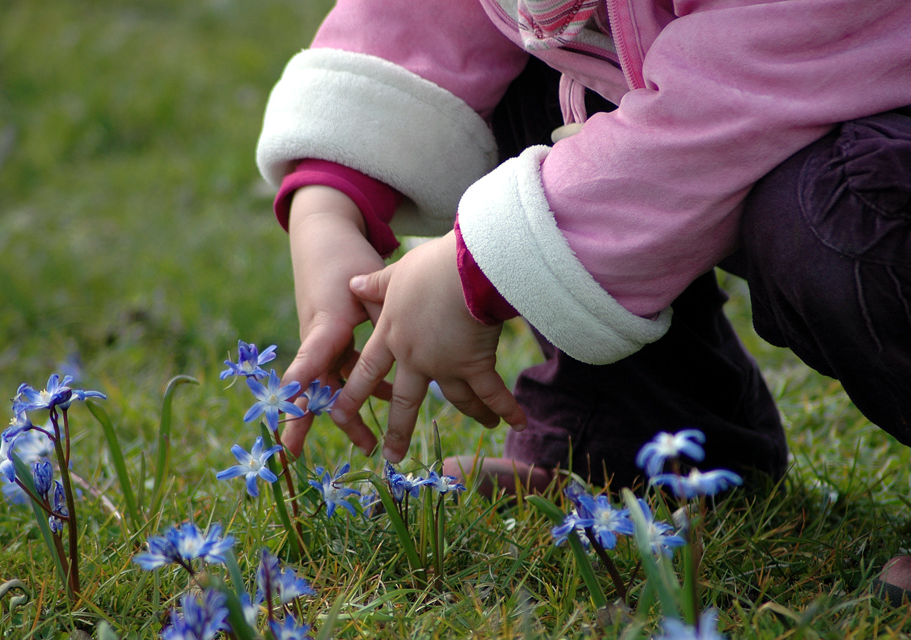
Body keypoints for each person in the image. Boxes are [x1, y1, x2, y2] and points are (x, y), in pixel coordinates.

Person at [256, 0, 911, 603]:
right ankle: (640, 441)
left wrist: (478, 266)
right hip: (761, 99)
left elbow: (739, 97)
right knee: (553, 40)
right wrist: (329, 200)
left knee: (848, 211)